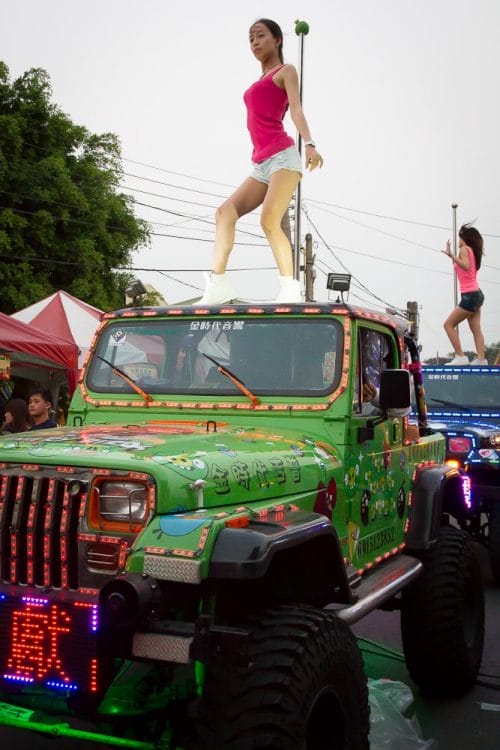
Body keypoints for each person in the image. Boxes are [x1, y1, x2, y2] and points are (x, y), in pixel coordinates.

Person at [198, 18, 323, 306]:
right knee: (225, 213)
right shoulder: (258, 81)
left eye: (260, 36)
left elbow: (296, 109)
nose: (254, 42)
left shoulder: (285, 71)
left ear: (277, 39)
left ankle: (289, 288)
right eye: (250, 38)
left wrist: (311, 144)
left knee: (269, 220)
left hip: (284, 158)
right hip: (262, 163)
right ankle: (218, 285)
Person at [442, 223, 486, 365]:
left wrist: (452, 255)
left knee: (448, 325)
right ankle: (481, 359)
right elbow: (468, 268)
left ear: (464, 238)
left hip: (470, 295)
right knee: (476, 329)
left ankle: (460, 356)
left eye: (459, 238)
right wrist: (452, 257)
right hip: (477, 294)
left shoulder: (464, 249)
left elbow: (465, 266)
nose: (458, 241)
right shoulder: (472, 251)